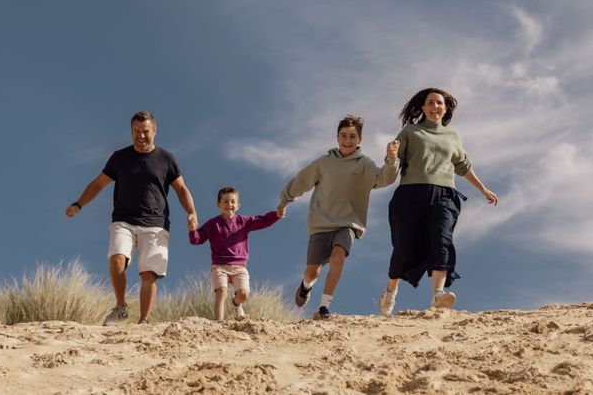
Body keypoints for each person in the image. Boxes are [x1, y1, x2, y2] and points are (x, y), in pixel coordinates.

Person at [65, 111, 197, 325]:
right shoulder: (120, 157)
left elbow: (181, 189)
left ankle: (143, 321)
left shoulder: (166, 159)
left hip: (155, 223)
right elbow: (98, 183)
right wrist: (79, 204)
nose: (141, 136)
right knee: (117, 260)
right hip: (123, 220)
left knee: (148, 274)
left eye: (146, 132)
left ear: (154, 131)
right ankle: (120, 307)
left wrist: (191, 212)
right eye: (136, 132)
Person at [377, 88, 499, 316]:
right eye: (430, 103)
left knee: (442, 241)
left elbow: (463, 166)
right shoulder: (410, 132)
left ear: (445, 108)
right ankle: (391, 291)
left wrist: (483, 189)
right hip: (410, 195)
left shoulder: (453, 136)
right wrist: (391, 156)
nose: (435, 107)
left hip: (445, 194)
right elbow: (394, 164)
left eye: (439, 103)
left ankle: (438, 294)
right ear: (423, 108)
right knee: (404, 249)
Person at [278, 115, 399, 320]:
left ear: (359, 140)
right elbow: (302, 180)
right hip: (321, 224)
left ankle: (324, 307)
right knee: (312, 272)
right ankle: (306, 287)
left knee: (338, 257)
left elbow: (383, 178)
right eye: (343, 135)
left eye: (352, 136)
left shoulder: (364, 164)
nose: (347, 140)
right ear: (337, 138)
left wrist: (391, 159)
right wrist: (284, 200)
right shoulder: (325, 162)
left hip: (348, 224)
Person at [189, 187, 284, 321]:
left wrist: (276, 215)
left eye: (233, 202)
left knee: (243, 294)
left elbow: (262, 221)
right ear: (219, 205)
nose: (229, 205)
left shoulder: (244, 222)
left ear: (238, 205)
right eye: (225, 201)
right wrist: (193, 230)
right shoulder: (213, 224)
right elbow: (197, 240)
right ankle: (218, 322)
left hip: (239, 266)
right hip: (219, 266)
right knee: (221, 291)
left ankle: (235, 304)